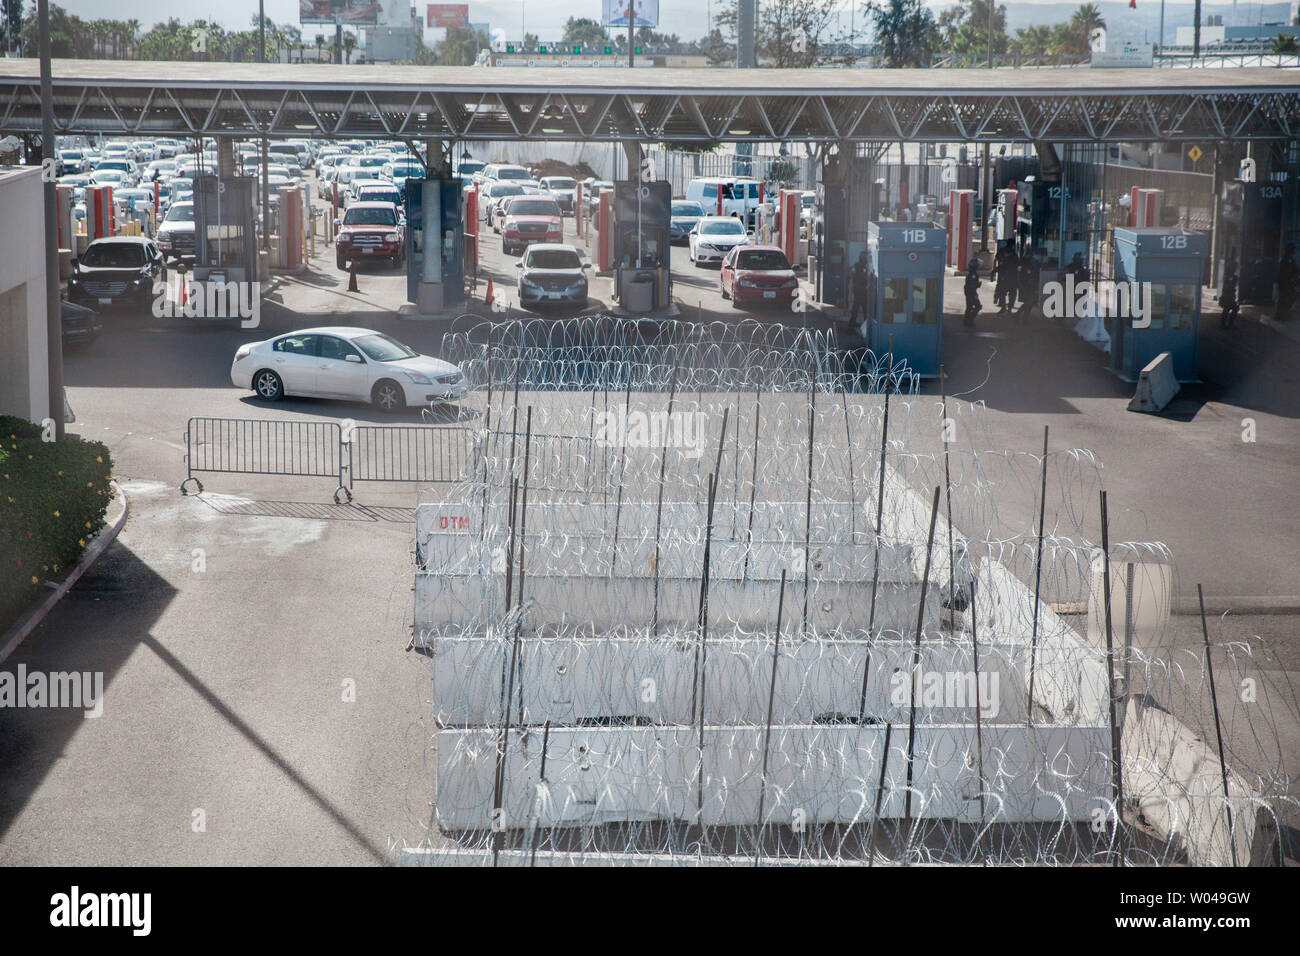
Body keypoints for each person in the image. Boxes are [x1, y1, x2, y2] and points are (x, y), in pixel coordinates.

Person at [991, 244, 1018, 313]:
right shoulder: (1015, 257)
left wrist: (993, 271)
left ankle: (1003, 308)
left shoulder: (1006, 258)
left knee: (1002, 293)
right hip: (1014, 279)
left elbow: (1000, 266)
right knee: (1012, 295)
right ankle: (1009, 309)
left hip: (1006, 279)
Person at [1277, 243, 1298, 323]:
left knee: (1288, 297)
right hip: (1284, 282)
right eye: (1292, 250)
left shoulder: (1290, 259)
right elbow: (1284, 271)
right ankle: (1280, 315)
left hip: (1288, 282)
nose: (1293, 252)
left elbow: (1295, 269)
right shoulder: (1285, 259)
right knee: (1284, 298)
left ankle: (1283, 314)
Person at [1016, 251, 1039, 324]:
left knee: (1029, 303)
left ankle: (1021, 316)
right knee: (1029, 302)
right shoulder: (1026, 267)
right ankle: (1022, 317)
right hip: (1027, 287)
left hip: (1027, 287)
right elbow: (1024, 277)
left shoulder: (1024, 267)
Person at [849, 250, 870, 324]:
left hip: (860, 289)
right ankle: (863, 323)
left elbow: (851, 274)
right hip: (861, 288)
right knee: (861, 307)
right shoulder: (862, 266)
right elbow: (852, 274)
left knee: (858, 306)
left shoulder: (862, 266)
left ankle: (854, 322)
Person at [1219, 262, 1240, 329]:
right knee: (1231, 308)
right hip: (1229, 295)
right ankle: (1228, 323)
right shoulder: (1230, 276)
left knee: (1227, 309)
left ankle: (1224, 323)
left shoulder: (1229, 276)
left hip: (1228, 295)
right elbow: (1230, 285)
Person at [963, 260, 982, 328]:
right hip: (971, 293)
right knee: (978, 306)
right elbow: (972, 285)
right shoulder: (973, 274)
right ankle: (970, 320)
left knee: (969, 307)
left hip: (969, 292)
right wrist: (978, 285)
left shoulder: (971, 273)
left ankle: (966, 320)